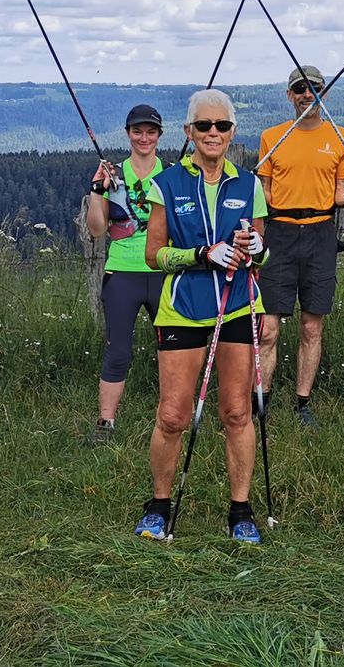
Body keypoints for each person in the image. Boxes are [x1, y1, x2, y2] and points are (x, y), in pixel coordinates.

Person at [132, 89, 270, 543]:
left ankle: (241, 510)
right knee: (173, 414)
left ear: (232, 132)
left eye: (222, 126)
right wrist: (201, 254)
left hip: (237, 306)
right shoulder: (168, 183)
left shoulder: (248, 185)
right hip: (184, 309)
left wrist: (256, 250)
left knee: (235, 411)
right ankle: (158, 505)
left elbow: (260, 252)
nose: (214, 133)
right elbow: (154, 255)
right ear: (189, 132)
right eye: (204, 126)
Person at [255, 65, 344, 430]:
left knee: (312, 327)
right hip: (279, 233)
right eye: (299, 89)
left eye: (313, 88)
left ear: (324, 94)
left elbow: (339, 194)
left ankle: (303, 403)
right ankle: (261, 402)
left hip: (320, 234)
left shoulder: (342, 137)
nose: (306, 95)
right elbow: (264, 190)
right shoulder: (273, 137)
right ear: (289, 95)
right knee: (268, 327)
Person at [84, 103, 167, 445]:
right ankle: (105, 423)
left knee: (173, 349)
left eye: (150, 132)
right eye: (137, 131)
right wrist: (97, 191)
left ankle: (173, 415)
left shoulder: (173, 175)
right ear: (128, 133)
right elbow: (97, 230)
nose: (144, 138)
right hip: (122, 273)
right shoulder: (112, 174)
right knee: (118, 349)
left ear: (160, 135)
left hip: (163, 269)